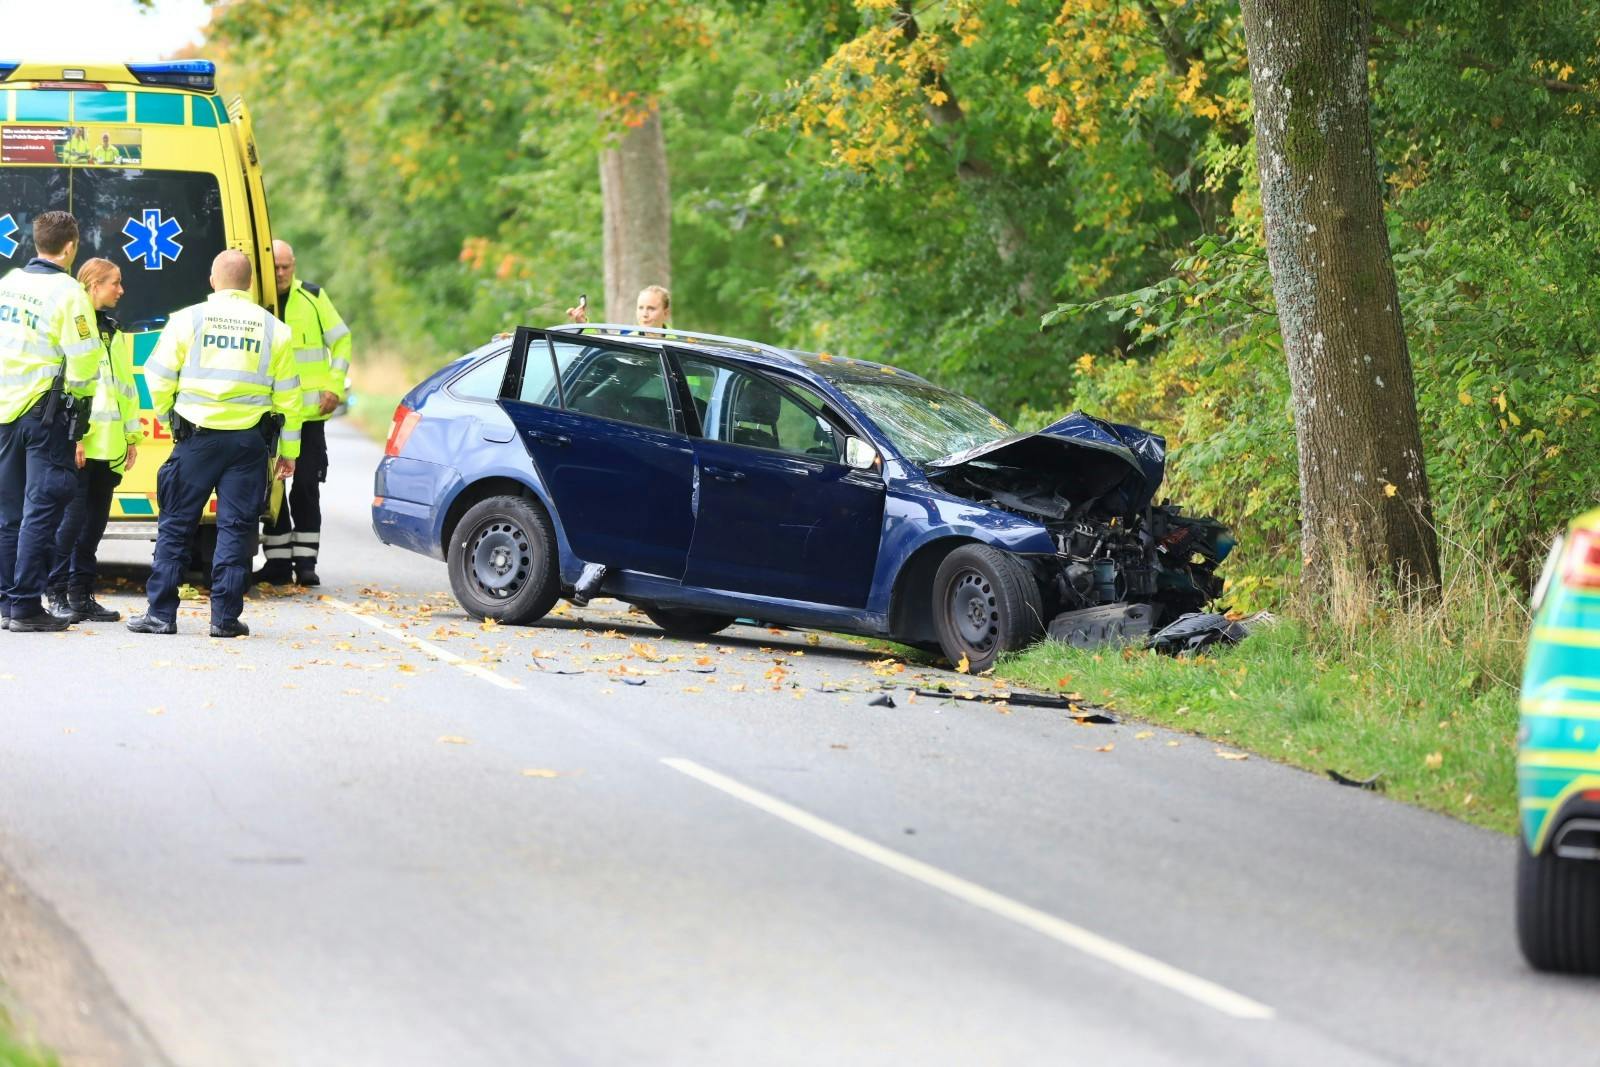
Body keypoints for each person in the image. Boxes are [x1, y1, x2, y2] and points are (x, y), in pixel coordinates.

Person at [127, 250, 301, 638]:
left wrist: (167, 415)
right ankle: (224, 619)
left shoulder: (187, 320)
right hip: (248, 445)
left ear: (212, 279)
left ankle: (161, 615)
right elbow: (290, 399)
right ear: (250, 283)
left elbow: (156, 375)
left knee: (175, 526)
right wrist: (288, 451)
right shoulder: (276, 329)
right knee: (237, 529)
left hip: (196, 439)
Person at [0, 211, 102, 633]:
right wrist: (79, 402)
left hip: (4, 410)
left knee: (7, 512)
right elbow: (84, 355)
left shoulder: (8, 283)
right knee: (43, 507)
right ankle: (25, 605)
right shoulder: (69, 293)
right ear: (71, 247)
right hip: (44, 413)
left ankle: (7, 602)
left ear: (35, 242)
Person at [46, 259, 140, 623]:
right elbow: (68, 385)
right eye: (115, 283)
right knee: (69, 524)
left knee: (94, 524)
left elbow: (125, 389)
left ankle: (81, 594)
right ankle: (55, 593)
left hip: (109, 447)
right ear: (93, 285)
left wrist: (132, 436)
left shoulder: (112, 331)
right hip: (80, 445)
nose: (121, 289)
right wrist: (75, 438)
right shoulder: (76, 324)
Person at [254, 238, 349, 587]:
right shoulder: (255, 300)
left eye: (285, 266)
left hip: (309, 415)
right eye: (274, 267)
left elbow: (341, 340)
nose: (279, 273)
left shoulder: (312, 296)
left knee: (306, 488)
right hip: (271, 416)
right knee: (272, 489)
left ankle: (305, 563)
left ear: (294, 265)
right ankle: (277, 563)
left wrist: (334, 385)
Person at [564, 285, 672, 329]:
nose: (644, 314)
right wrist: (583, 325)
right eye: (640, 308)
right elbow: (600, 345)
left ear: (666, 313)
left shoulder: (681, 343)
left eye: (651, 308)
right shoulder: (626, 338)